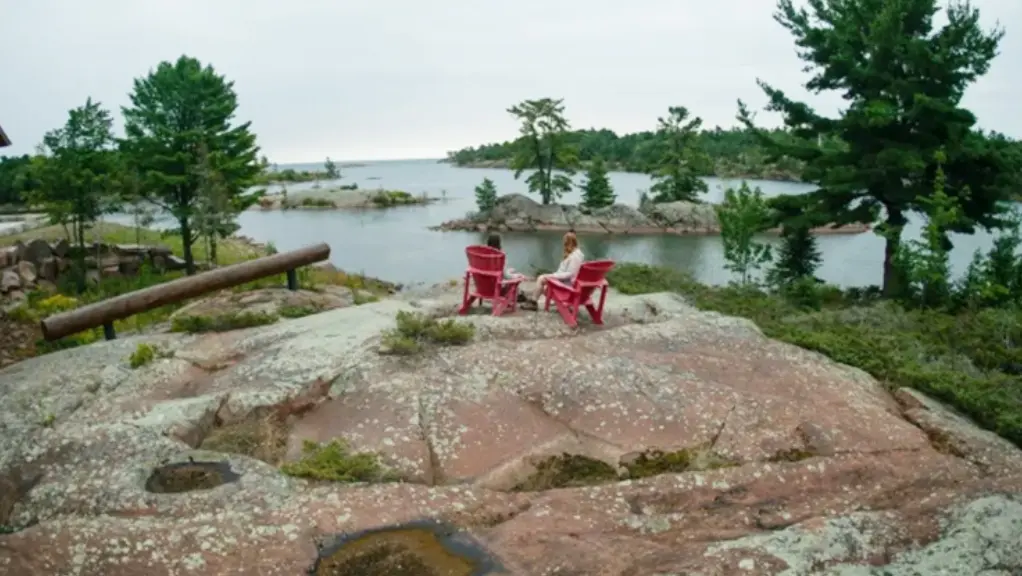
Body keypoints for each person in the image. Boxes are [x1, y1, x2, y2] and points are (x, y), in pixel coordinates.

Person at [533, 231, 584, 300]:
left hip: (566, 284)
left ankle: (533, 301)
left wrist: (553, 275)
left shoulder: (575, 256)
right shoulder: (576, 254)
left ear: (568, 243)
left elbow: (569, 274)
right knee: (544, 288)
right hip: (564, 280)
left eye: (565, 243)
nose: (564, 245)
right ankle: (533, 299)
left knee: (541, 278)